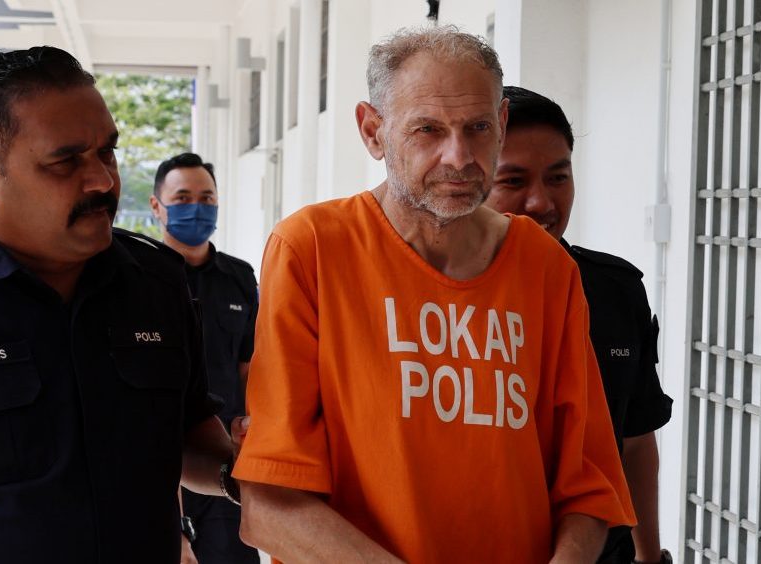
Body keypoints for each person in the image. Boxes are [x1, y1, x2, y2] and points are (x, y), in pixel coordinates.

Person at [233, 25, 635, 563]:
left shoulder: (546, 266)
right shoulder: (312, 249)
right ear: (373, 131)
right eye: (427, 129)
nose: (459, 156)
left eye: (478, 127)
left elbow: (589, 484)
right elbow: (270, 504)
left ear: (501, 125)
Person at [0, 46, 237, 564]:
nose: (103, 181)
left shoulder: (158, 285)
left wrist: (236, 472)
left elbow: (187, 431)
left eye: (107, 152)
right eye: (65, 161)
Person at [485, 86, 674, 564]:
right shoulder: (439, 300)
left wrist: (649, 557)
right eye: (513, 180)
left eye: (558, 177)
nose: (540, 202)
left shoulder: (614, 290)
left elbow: (635, 440)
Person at [149, 153, 260, 563]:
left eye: (207, 198)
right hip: (164, 463)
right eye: (182, 198)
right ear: (157, 206)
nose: (196, 208)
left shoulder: (239, 277)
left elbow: (250, 369)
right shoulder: (141, 279)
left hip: (227, 462)